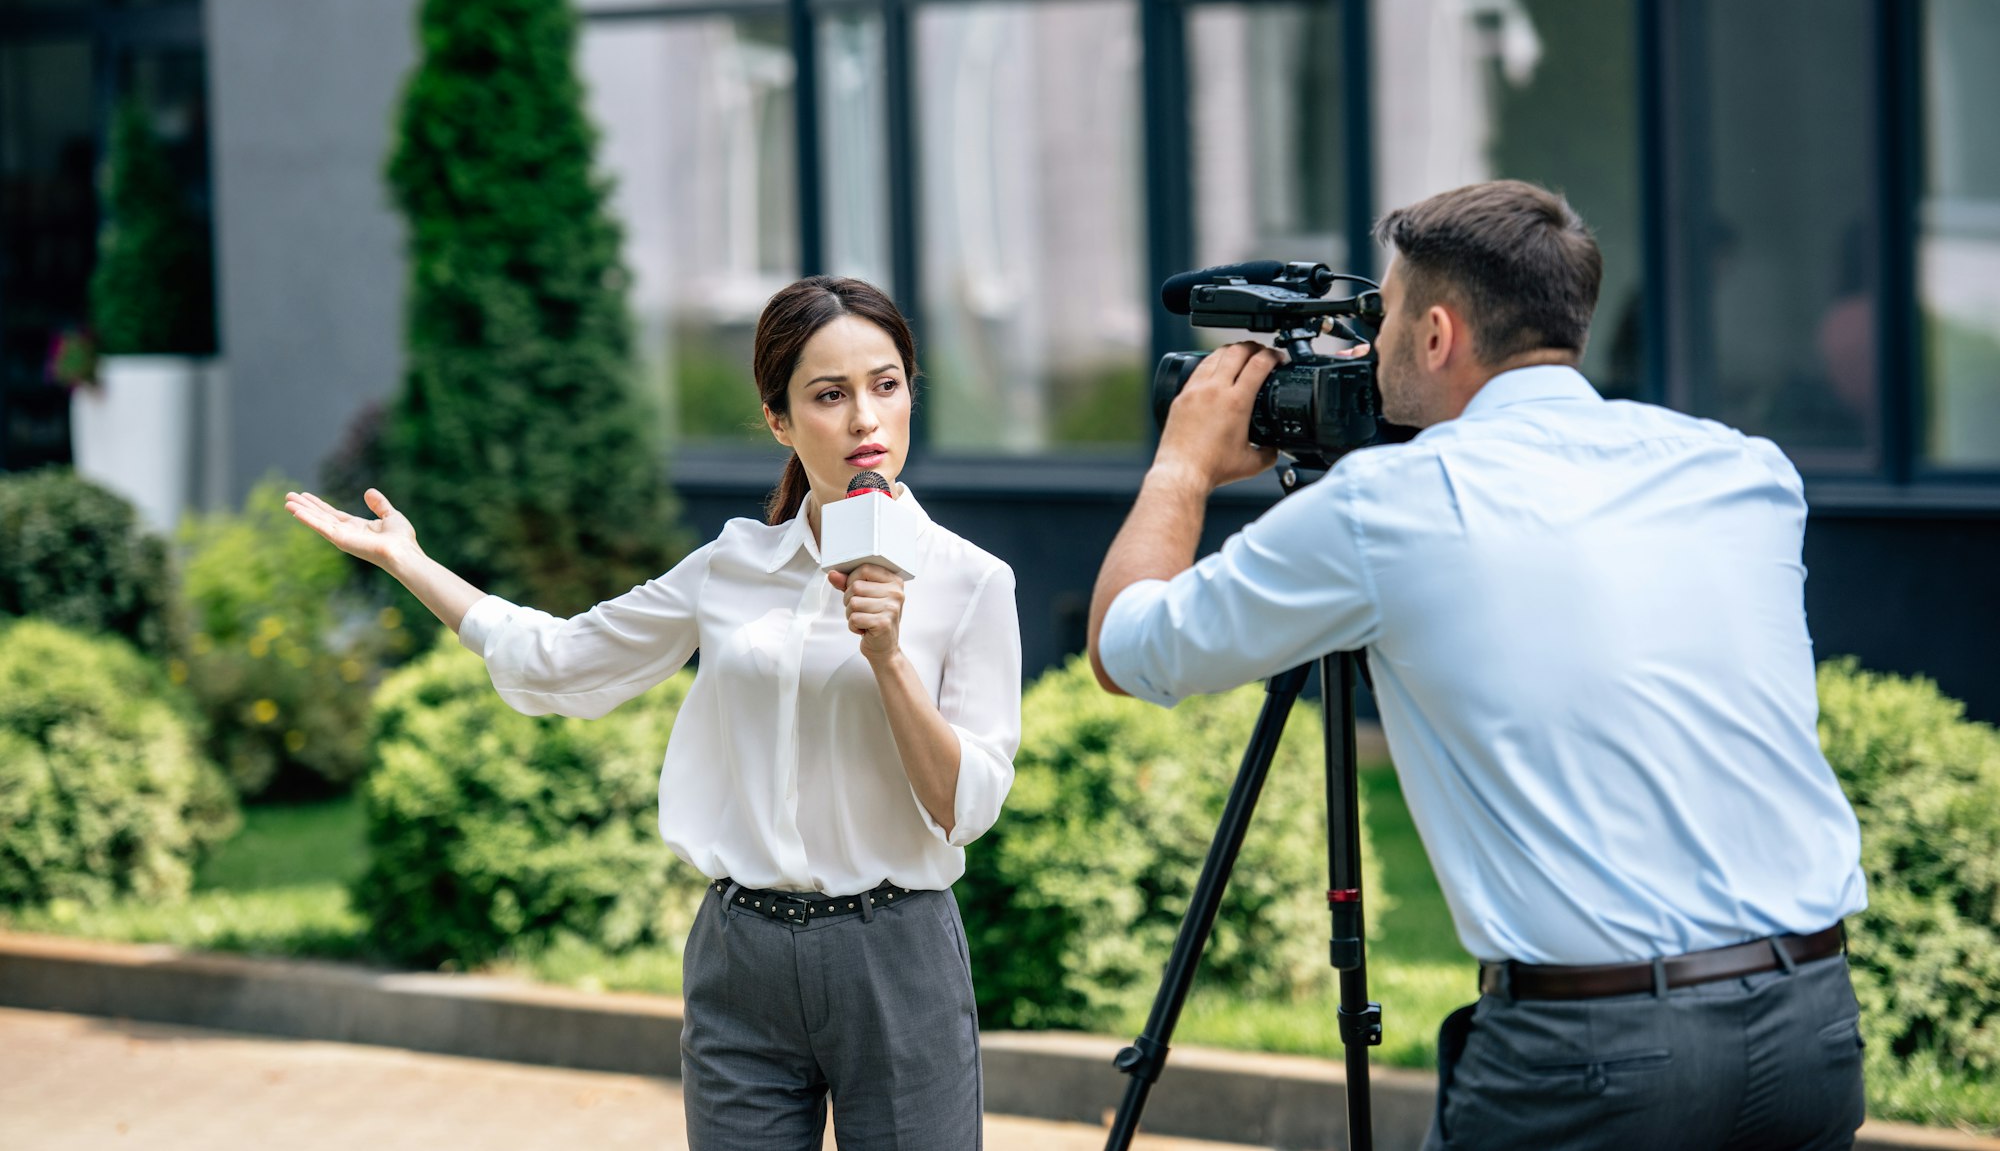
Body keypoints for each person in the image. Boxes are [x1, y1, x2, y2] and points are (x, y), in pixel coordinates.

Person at [1086, 181, 1867, 1151]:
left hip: (1589, 1057)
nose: (1367, 355)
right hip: (1812, 1032)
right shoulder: (1741, 470)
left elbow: (1127, 649)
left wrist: (1182, 465)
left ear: (1436, 335)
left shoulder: (1386, 508)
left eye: (1383, 323)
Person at [288, 275, 1021, 1150]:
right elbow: (562, 660)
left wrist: (889, 657)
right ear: (780, 420)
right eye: (830, 394)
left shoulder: (972, 581)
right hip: (740, 958)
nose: (865, 417)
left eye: (886, 384)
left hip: (895, 953)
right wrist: (409, 563)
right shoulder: (730, 566)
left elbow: (964, 805)